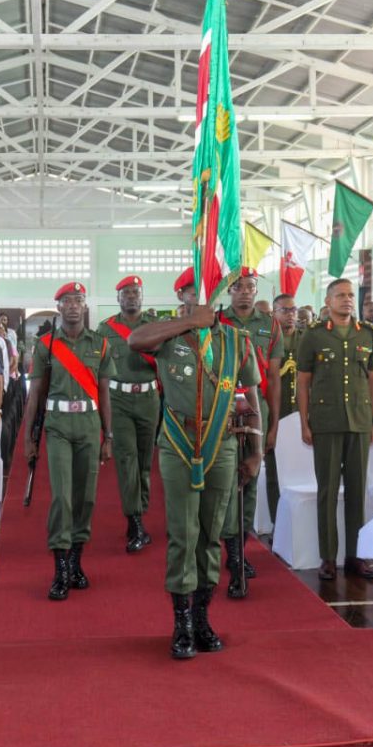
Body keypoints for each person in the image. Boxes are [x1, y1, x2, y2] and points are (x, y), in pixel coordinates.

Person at [129, 269, 261, 659]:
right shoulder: (169, 334)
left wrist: (255, 452)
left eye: (205, 293)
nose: (199, 297)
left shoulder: (237, 341)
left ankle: (202, 616)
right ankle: (181, 623)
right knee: (183, 533)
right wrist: (189, 321)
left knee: (211, 532)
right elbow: (135, 341)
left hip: (222, 444)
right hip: (178, 443)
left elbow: (251, 396)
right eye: (191, 292)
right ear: (182, 296)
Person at [21, 282, 113, 600]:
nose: (73, 305)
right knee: (62, 497)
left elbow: (104, 393)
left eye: (78, 300)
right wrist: (28, 437)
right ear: (58, 307)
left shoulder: (99, 344)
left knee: (86, 497)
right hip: (57, 426)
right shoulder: (45, 344)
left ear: (85, 306)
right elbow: (35, 394)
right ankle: (60, 567)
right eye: (66, 301)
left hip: (89, 425)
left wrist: (108, 435)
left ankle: (76, 562)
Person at [295, 278, 373, 581]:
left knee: (358, 491)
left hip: (358, 420)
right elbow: (302, 380)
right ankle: (328, 557)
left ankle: (356, 555)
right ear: (328, 302)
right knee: (328, 490)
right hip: (327, 421)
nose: (346, 300)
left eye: (349, 296)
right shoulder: (314, 336)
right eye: (340, 296)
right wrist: (304, 421)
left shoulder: (367, 334)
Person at [217, 267, 282, 596]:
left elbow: (274, 376)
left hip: (256, 409)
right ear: (229, 292)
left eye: (250, 287)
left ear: (257, 291)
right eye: (238, 287)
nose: (245, 292)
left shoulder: (269, 325)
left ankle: (240, 552)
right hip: (224, 410)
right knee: (227, 482)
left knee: (250, 483)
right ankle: (226, 549)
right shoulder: (217, 322)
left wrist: (273, 425)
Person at [97, 275, 160, 553]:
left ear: (142, 297)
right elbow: (97, 369)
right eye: (126, 292)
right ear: (118, 298)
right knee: (126, 460)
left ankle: (139, 512)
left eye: (136, 292)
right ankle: (134, 521)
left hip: (149, 398)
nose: (131, 296)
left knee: (145, 462)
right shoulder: (105, 329)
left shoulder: (156, 326)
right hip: (118, 399)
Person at [267, 292, 299, 524]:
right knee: (275, 470)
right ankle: (278, 522)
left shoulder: (307, 339)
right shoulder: (267, 339)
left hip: (302, 412)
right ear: (273, 313)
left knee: (302, 467)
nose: (290, 315)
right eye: (284, 310)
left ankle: (299, 521)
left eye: (293, 310)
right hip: (274, 412)